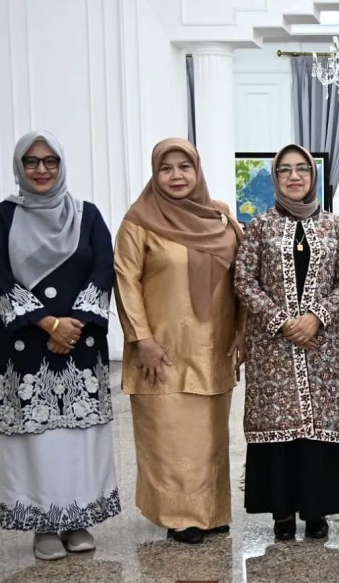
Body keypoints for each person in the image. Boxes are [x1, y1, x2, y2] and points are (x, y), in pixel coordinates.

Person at [0, 131, 119, 560]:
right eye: (32, 161)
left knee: (79, 437)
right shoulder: (1, 216)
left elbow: (103, 268)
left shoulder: (87, 214)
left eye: (50, 161)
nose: (41, 169)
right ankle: (41, 523)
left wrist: (72, 325)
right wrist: (48, 323)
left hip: (80, 344)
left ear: (61, 165)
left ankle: (77, 518)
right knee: (35, 438)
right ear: (19, 167)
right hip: (25, 345)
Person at [114, 138, 244, 545]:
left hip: (213, 347)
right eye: (166, 168)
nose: (176, 176)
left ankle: (210, 511)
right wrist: (142, 339)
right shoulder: (139, 221)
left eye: (184, 167)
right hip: (162, 350)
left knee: (209, 437)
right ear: (155, 174)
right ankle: (179, 515)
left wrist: (243, 330)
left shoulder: (220, 217)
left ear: (197, 170)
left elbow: (243, 277)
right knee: (170, 436)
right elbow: (125, 281)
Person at [234, 143, 339, 540]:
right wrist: (282, 321)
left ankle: (316, 510)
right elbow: (244, 281)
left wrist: (316, 317)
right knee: (278, 428)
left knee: (318, 428)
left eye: (302, 169)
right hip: (272, 347)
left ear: (313, 176)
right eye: (285, 170)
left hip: (321, 345)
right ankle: (282, 513)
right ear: (275, 177)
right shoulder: (259, 227)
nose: (294, 176)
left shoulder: (335, 226)